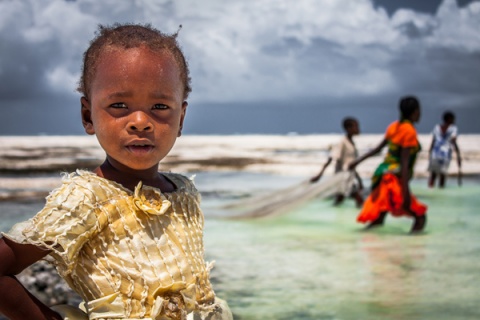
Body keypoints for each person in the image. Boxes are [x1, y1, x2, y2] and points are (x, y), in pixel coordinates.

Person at [0, 23, 232, 320]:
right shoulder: (85, 198)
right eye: (119, 105)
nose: (140, 121)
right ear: (88, 116)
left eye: (160, 106)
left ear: (181, 118)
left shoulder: (185, 192)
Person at [348, 96, 427, 233]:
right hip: (394, 179)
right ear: (414, 112)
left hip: (383, 175)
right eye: (419, 110)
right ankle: (413, 249)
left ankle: (362, 240)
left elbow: (377, 149)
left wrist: (357, 161)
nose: (420, 114)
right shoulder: (409, 131)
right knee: (420, 216)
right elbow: (404, 161)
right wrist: (406, 191)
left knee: (379, 217)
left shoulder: (393, 127)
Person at [310, 117, 364, 207]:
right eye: (355, 126)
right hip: (343, 177)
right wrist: (319, 175)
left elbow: (351, 164)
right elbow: (331, 158)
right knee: (359, 200)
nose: (358, 129)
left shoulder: (351, 143)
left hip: (349, 177)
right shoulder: (342, 142)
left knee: (339, 200)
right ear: (348, 128)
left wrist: (359, 180)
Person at [428, 111, 462, 188]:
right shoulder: (453, 129)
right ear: (449, 119)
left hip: (435, 153)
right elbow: (454, 142)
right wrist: (458, 155)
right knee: (442, 176)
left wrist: (430, 153)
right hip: (445, 155)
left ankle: (431, 190)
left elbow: (433, 142)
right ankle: (440, 191)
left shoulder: (437, 127)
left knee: (433, 175)